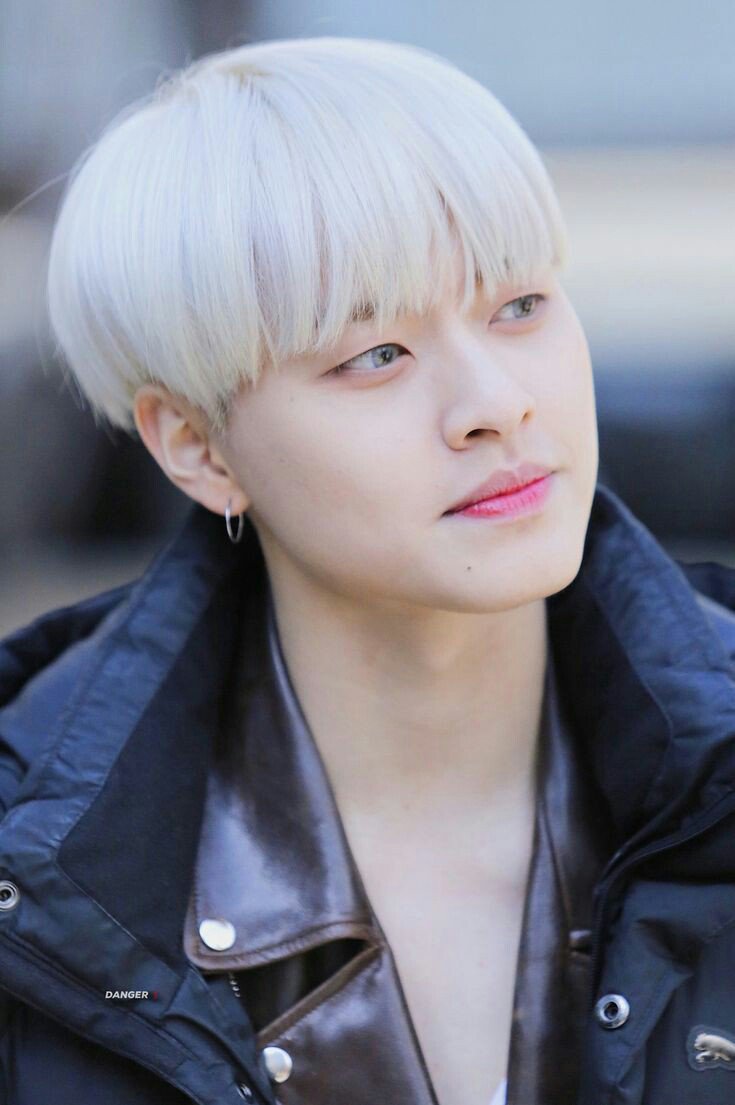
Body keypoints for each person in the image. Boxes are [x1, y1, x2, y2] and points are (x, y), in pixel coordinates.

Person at [2, 35, 735, 1105]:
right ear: (198, 447)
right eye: (375, 355)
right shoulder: (39, 871)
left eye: (519, 305)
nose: (496, 402)